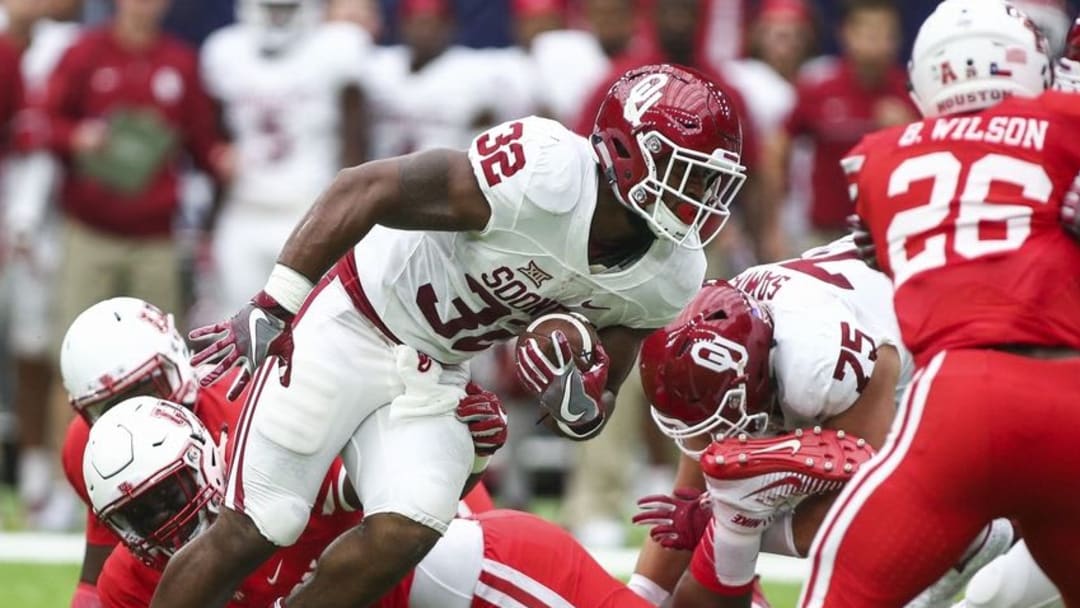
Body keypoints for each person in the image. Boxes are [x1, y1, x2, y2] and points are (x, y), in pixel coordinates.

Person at [148, 63, 747, 608]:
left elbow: (598, 399)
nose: (698, 197)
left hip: (438, 370)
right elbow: (366, 187)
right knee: (260, 523)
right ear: (621, 150)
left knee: (410, 522)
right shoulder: (543, 173)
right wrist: (275, 303)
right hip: (354, 321)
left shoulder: (670, 273)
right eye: (684, 172)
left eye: (709, 181)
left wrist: (576, 397)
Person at [800, 0, 1080, 605]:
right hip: (1070, 396)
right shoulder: (1066, 120)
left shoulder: (878, 156)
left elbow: (893, 244)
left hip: (964, 396)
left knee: (845, 584)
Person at [631, 238, 1011, 607]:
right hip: (905, 311)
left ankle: (975, 535)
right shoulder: (718, 347)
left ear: (756, 378)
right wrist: (637, 597)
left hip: (970, 336)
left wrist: (731, 521)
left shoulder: (815, 362)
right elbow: (684, 504)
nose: (710, 437)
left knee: (870, 549)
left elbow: (869, 503)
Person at [58, 297, 505, 606]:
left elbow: (373, 499)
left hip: (413, 508)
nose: (131, 411)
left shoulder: (249, 401)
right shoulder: (101, 449)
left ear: (178, 357)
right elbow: (100, 571)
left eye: (145, 386)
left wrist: (468, 458)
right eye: (107, 406)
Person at [82, 397, 643, 608]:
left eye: (169, 496)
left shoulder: (278, 475)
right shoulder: (130, 582)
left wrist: (464, 456)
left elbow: (403, 491)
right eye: (141, 514)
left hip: (482, 578)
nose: (166, 521)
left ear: (207, 461)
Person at [201, 0, 370, 316]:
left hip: (308, 211)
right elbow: (216, 139)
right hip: (244, 211)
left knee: (313, 324)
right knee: (234, 323)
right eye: (271, 8)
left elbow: (356, 140)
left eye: (286, 8)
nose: (278, 18)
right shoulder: (226, 51)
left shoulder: (336, 47)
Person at [760, 0, 915, 260]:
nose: (874, 41)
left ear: (897, 38)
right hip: (823, 235)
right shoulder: (821, 87)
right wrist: (773, 227)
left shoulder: (911, 92)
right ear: (845, 33)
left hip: (891, 233)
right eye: (867, 31)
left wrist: (909, 130)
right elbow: (776, 147)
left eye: (884, 32)